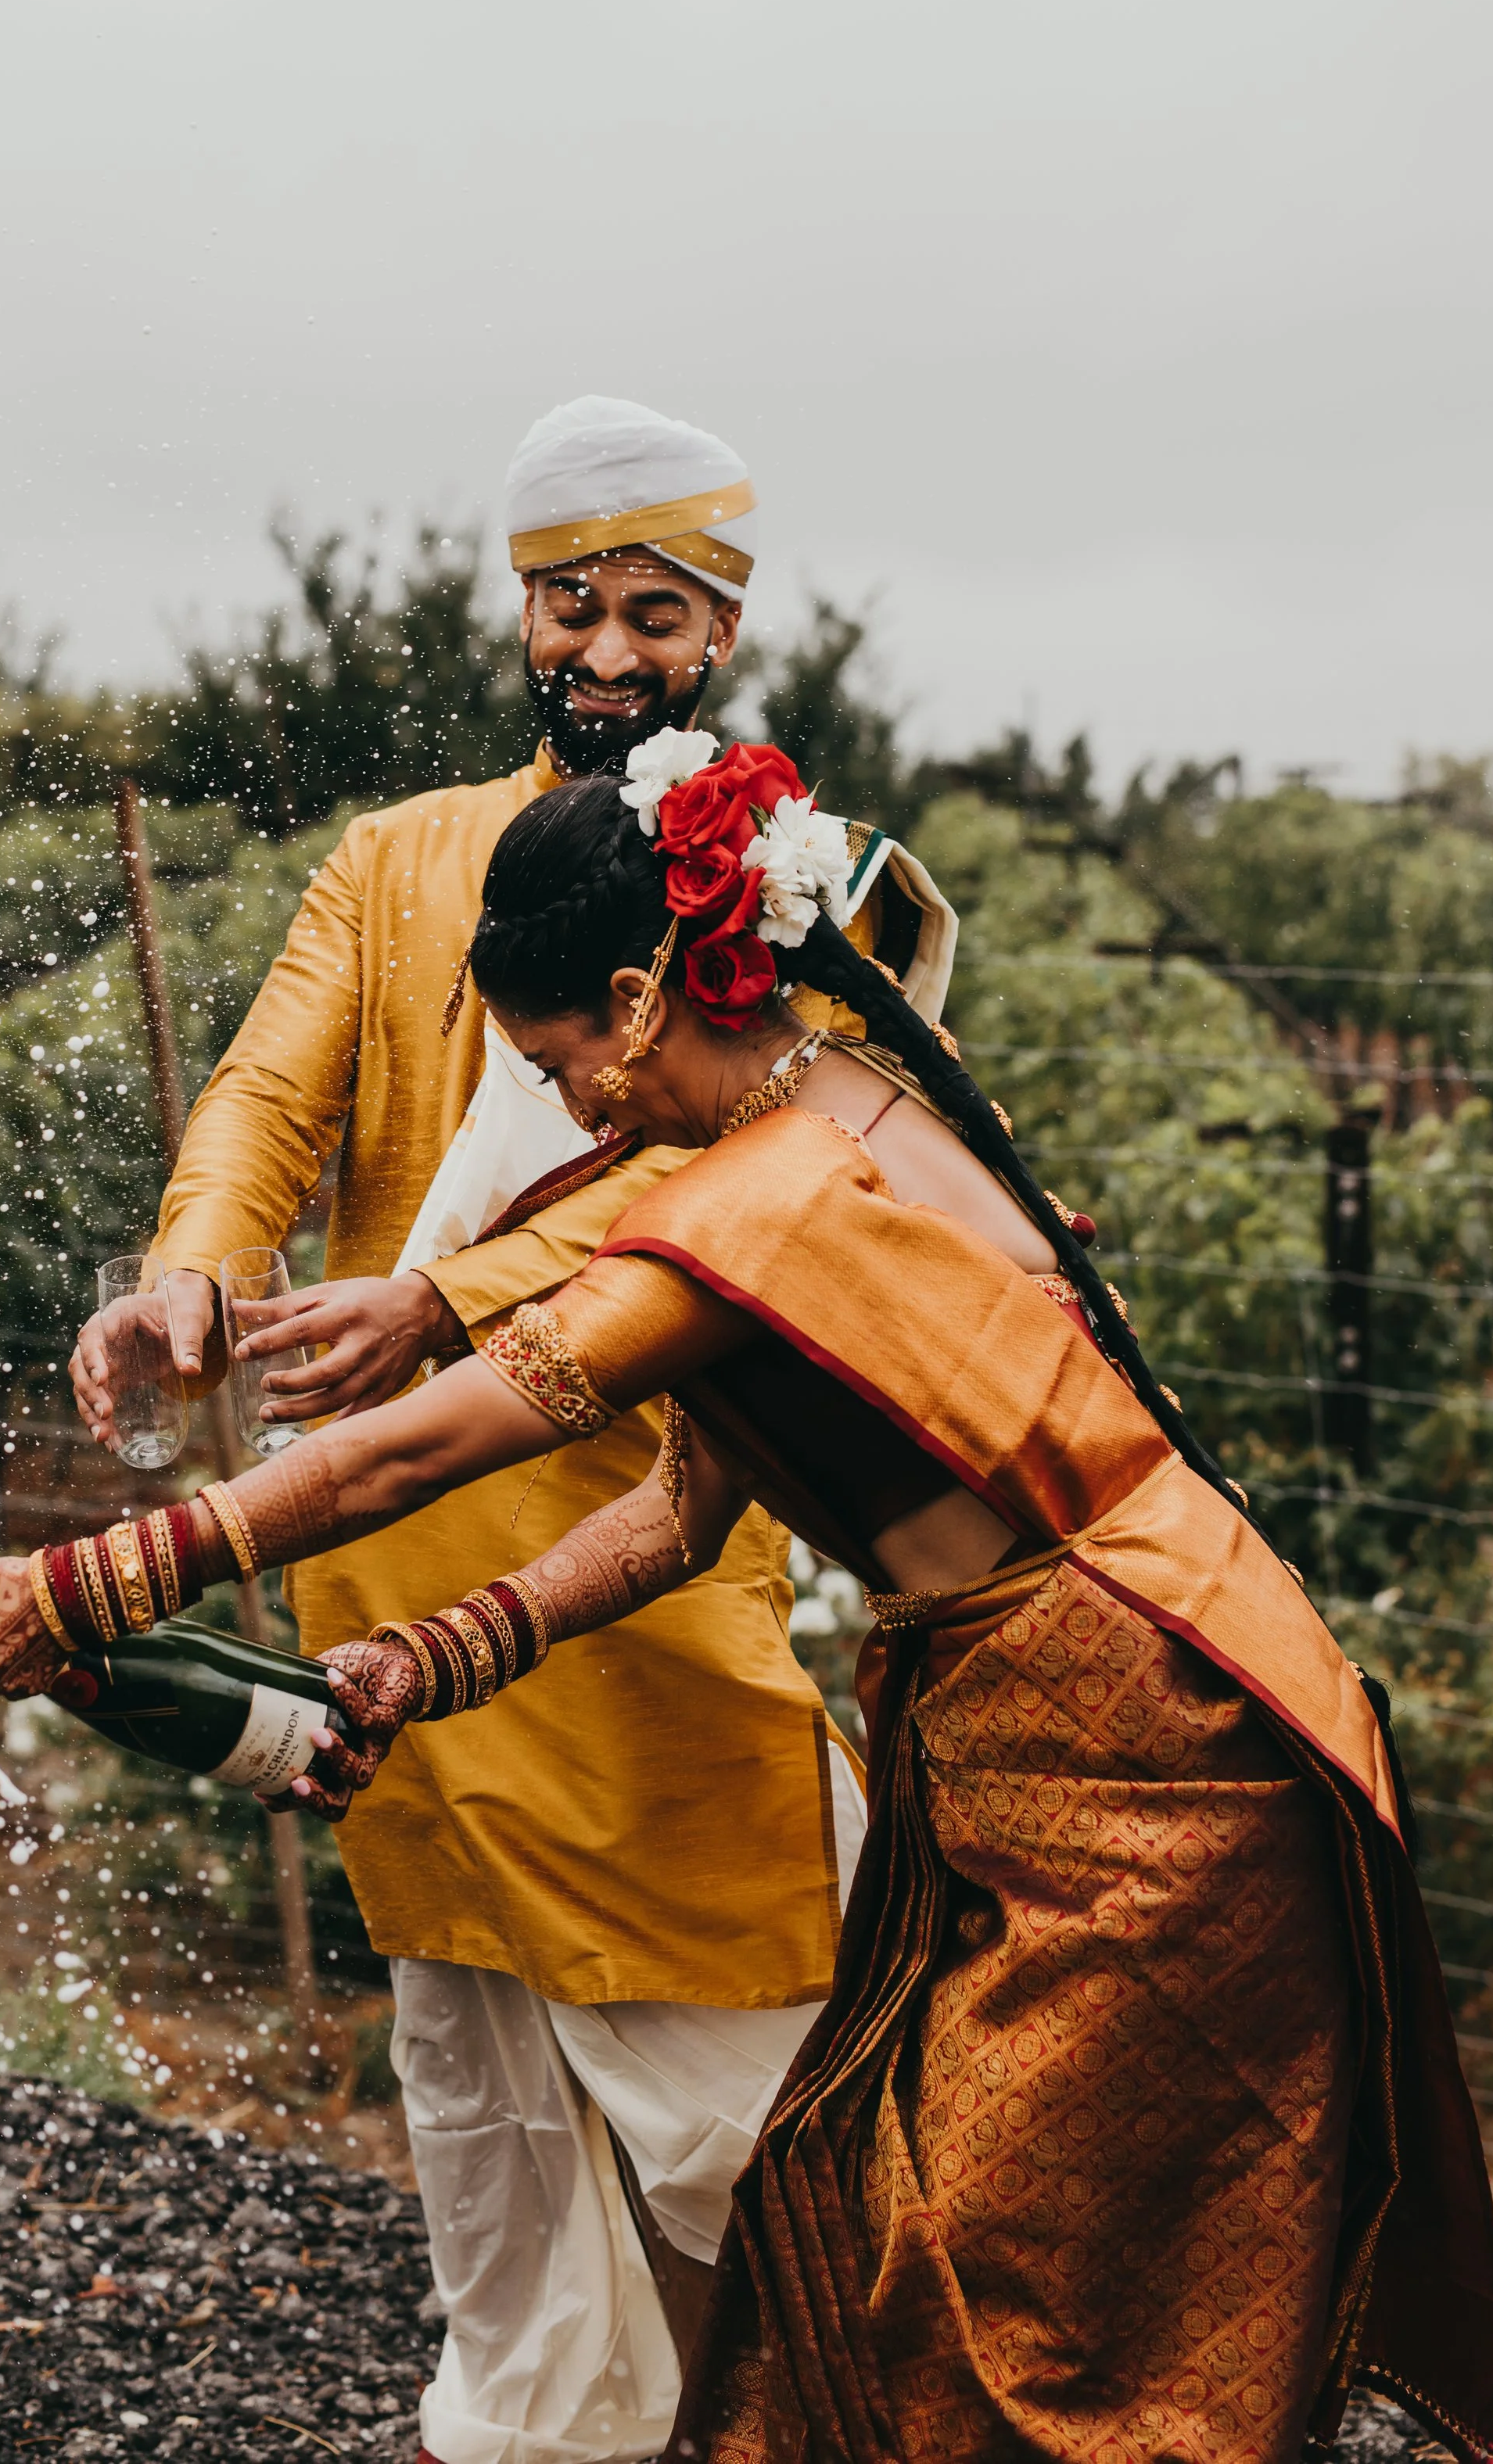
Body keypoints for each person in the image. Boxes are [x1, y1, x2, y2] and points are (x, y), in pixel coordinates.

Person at [0, 735, 1493, 2464]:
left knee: (996, 2294)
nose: (580, 1115)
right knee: (876, 2212)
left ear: (633, 996)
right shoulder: (846, 1099)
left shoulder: (760, 1203)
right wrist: (429, 1662)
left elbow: (406, 1452)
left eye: (559, 1072)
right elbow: (684, 1508)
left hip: (1148, 1743)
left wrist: (78, 1589)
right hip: (1065, 1715)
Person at [62, 398, 953, 2464]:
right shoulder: (389, 865)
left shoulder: (780, 913)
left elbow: (737, 1214)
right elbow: (264, 1104)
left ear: (719, 634)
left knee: (765, 2117)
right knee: (481, 2118)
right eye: (575, 603)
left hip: (644, 1574)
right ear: (520, 608)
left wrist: (439, 1301)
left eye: (657, 611)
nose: (610, 649)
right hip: (385, 1577)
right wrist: (194, 1267)